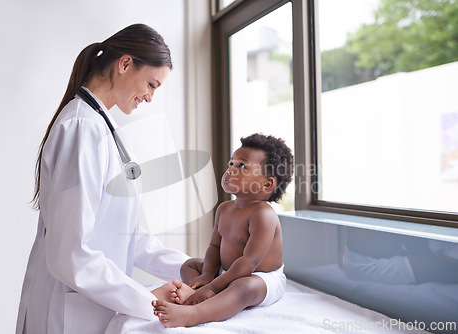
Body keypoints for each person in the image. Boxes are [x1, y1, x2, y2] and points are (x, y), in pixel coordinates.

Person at [16, 24, 189, 334]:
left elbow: (128, 235)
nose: (149, 97)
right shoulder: (82, 128)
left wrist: (190, 268)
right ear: (124, 64)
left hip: (90, 309)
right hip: (63, 315)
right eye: (151, 84)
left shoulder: (104, 130)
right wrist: (148, 300)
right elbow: (69, 254)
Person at [152, 133, 294, 327]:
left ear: (267, 183)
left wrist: (213, 286)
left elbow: (249, 261)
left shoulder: (263, 215)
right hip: (227, 272)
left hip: (259, 276)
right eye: (231, 164)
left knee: (244, 287)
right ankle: (196, 294)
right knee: (190, 265)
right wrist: (208, 275)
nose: (230, 171)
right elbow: (214, 246)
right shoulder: (225, 209)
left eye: (242, 166)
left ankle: (193, 313)